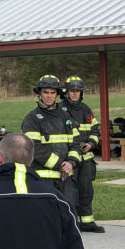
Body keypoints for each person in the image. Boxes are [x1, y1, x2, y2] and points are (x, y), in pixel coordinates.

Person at [21, 75, 79, 204]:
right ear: (40, 93)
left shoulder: (65, 116)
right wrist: (61, 165)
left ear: (57, 95)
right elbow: (34, 148)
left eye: (52, 92)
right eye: (45, 92)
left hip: (66, 178)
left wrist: (71, 163)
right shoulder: (32, 119)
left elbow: (75, 143)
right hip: (43, 179)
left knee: (68, 215)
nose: (49, 96)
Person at [63, 77, 105, 233]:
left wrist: (91, 144)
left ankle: (87, 222)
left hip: (86, 159)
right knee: (70, 192)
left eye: (78, 91)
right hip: (70, 159)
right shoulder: (61, 110)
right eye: (72, 91)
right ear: (66, 92)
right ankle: (72, 223)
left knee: (86, 191)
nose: (75, 94)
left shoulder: (86, 109)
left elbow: (95, 130)